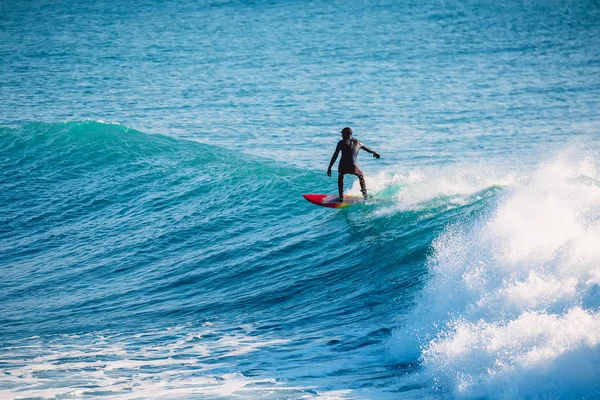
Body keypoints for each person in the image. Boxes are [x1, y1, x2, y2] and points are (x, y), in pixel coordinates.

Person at [327, 127, 380, 201]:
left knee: (340, 176)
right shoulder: (358, 143)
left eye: (342, 134)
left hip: (342, 166)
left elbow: (335, 155)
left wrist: (329, 167)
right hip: (353, 166)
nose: (341, 135)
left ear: (345, 134)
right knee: (361, 175)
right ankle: (365, 196)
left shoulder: (341, 142)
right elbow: (369, 150)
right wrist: (375, 153)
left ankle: (341, 197)